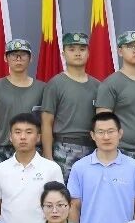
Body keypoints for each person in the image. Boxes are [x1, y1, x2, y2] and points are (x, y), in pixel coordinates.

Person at [67, 112, 135, 223]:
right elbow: (74, 206)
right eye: (100, 132)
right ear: (92, 135)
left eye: (111, 131)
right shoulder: (79, 167)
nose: (106, 137)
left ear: (120, 133)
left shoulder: (134, 167)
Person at [41, 32, 102, 174]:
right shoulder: (55, 84)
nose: (77, 53)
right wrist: (48, 157)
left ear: (88, 53)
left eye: (82, 49)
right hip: (64, 148)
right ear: (63, 54)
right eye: (72, 49)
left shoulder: (97, 85)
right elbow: (46, 122)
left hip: (93, 147)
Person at [0, 113, 63, 223]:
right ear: (10, 137)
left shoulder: (52, 169)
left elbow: (59, 205)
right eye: (18, 132)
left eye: (29, 132)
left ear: (38, 137)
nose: (23, 137)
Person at [96, 30, 135, 167]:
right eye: (130, 46)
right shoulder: (111, 83)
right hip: (121, 153)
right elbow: (103, 123)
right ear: (120, 51)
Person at [0, 38, 44, 166]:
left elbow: (46, 124)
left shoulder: (42, 88)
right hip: (1, 151)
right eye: (13, 55)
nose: (18, 59)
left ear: (31, 58)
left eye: (23, 55)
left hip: (33, 150)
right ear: (6, 58)